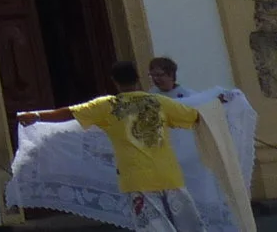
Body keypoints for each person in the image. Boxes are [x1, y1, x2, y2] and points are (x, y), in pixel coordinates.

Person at [19, 60, 205, 232]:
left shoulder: (107, 106)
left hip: (137, 179)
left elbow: (69, 113)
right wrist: (221, 101)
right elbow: (195, 116)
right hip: (169, 175)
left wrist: (36, 116)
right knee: (191, 228)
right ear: (138, 79)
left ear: (114, 81)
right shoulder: (159, 102)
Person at [147, 56, 257, 232]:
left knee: (196, 195)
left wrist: (219, 102)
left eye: (159, 74)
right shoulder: (149, 97)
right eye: (152, 75)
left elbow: (203, 109)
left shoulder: (188, 95)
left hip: (191, 156)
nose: (155, 79)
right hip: (165, 157)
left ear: (171, 75)